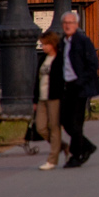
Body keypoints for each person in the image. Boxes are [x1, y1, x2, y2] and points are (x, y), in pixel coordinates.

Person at [55, 9, 99, 168]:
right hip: (67, 87)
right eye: (65, 23)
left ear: (77, 24)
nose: (68, 26)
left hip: (80, 87)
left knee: (76, 122)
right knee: (65, 121)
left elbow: (93, 64)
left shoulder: (82, 41)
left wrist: (80, 81)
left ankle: (76, 155)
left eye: (71, 23)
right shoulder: (62, 42)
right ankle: (87, 146)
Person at [33, 31, 67, 169]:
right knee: (40, 127)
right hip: (42, 98)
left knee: (54, 127)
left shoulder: (60, 60)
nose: (43, 47)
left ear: (52, 44)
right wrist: (35, 99)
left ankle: (52, 160)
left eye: (45, 44)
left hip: (54, 98)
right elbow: (37, 79)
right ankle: (63, 146)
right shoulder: (43, 59)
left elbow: (63, 80)